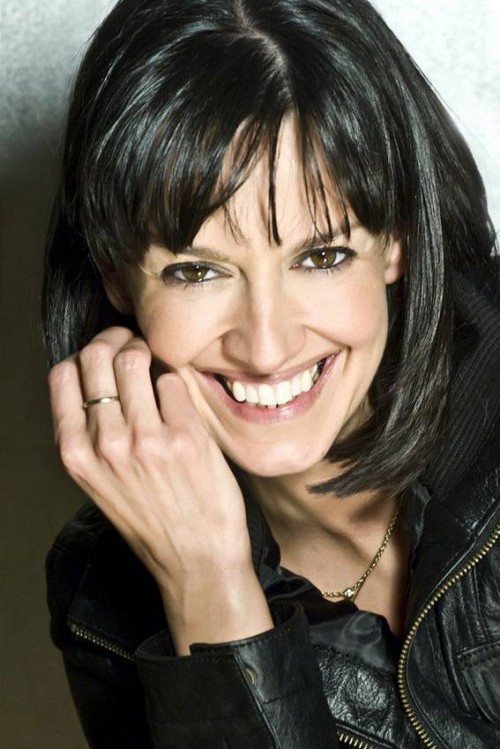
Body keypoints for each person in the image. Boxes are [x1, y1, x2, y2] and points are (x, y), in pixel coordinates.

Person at [43, 1, 500, 747]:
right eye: (197, 271)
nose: (265, 344)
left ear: (397, 240)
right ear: (117, 277)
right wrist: (208, 586)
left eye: (321, 256)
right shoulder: (102, 600)